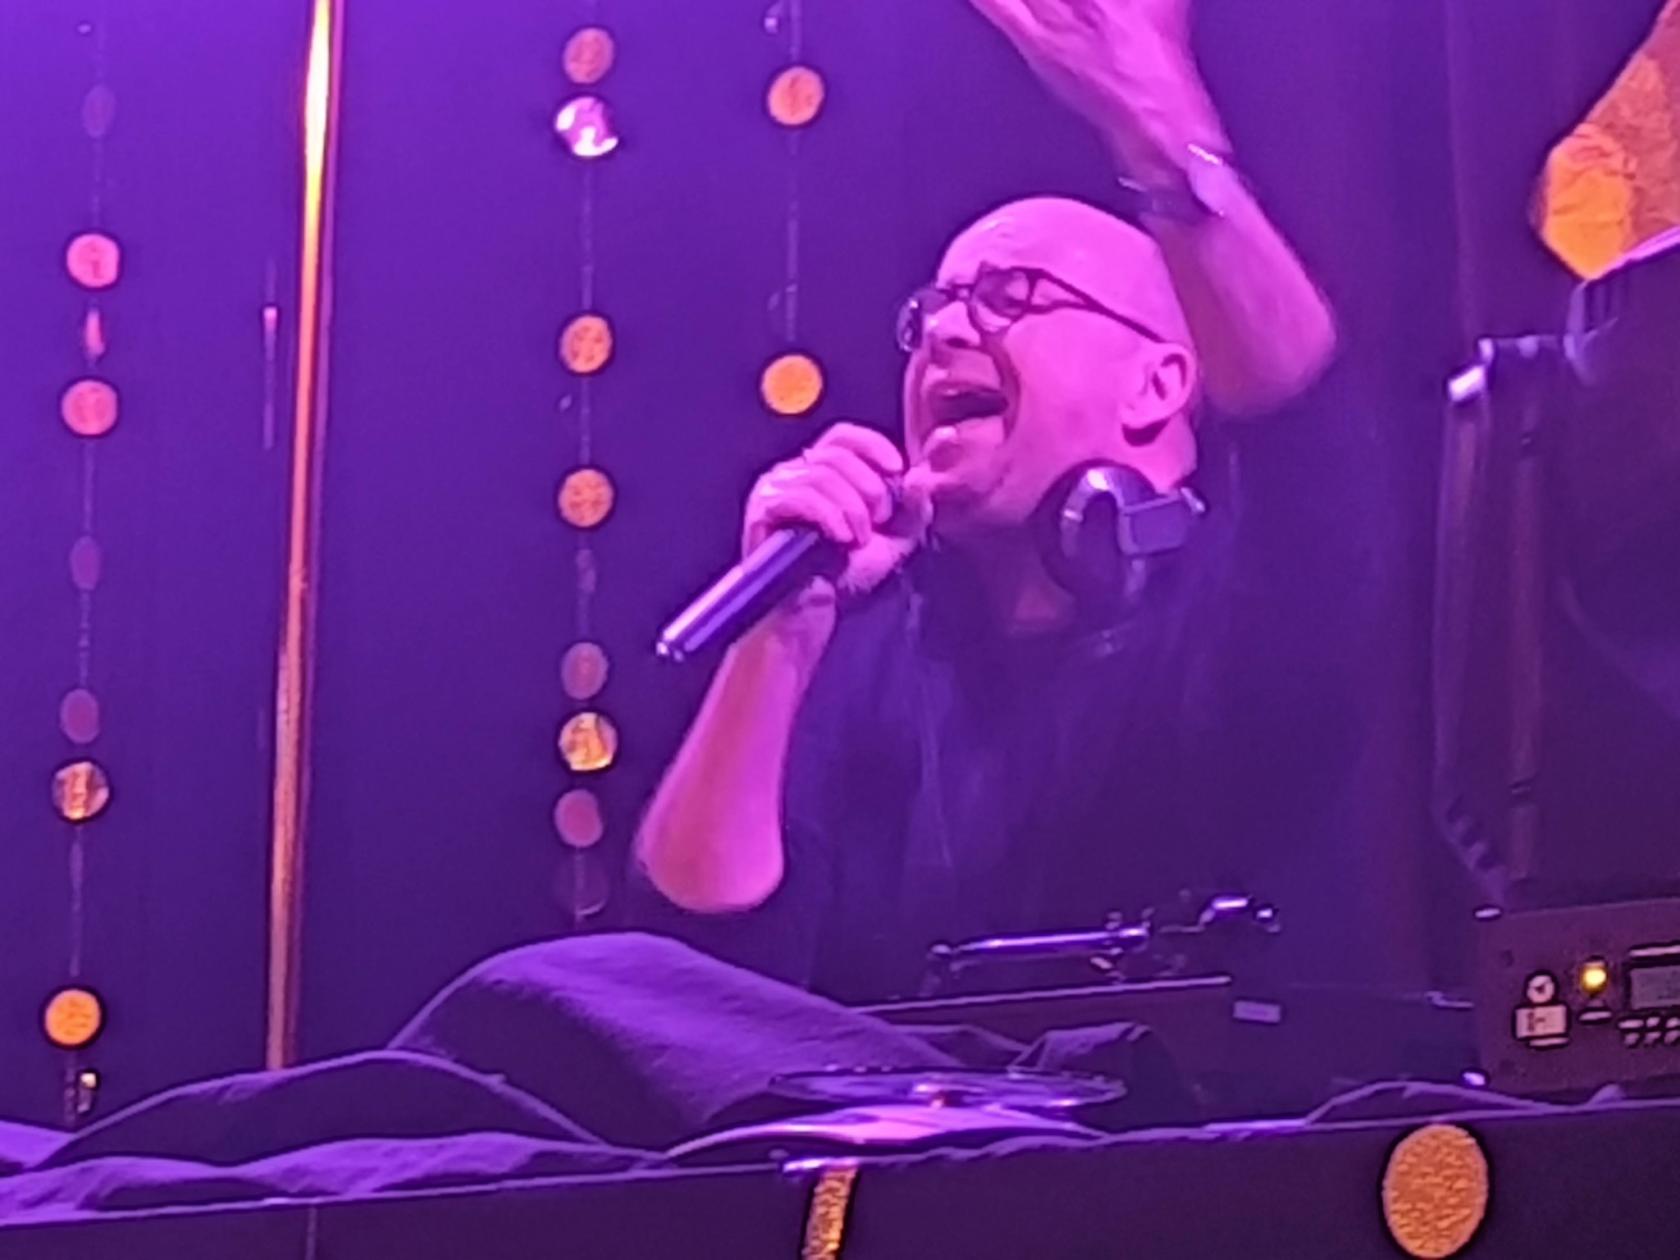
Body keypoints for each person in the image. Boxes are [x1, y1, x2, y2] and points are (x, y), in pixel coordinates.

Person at [632, 0, 1337, 1001]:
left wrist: (1163, 133)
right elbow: (689, 982)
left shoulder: (1252, 600)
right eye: (933, 308)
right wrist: (776, 640)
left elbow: (1304, 418)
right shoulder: (874, 641)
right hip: (884, 1100)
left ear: (1158, 385)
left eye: (1011, 296)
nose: (947, 331)